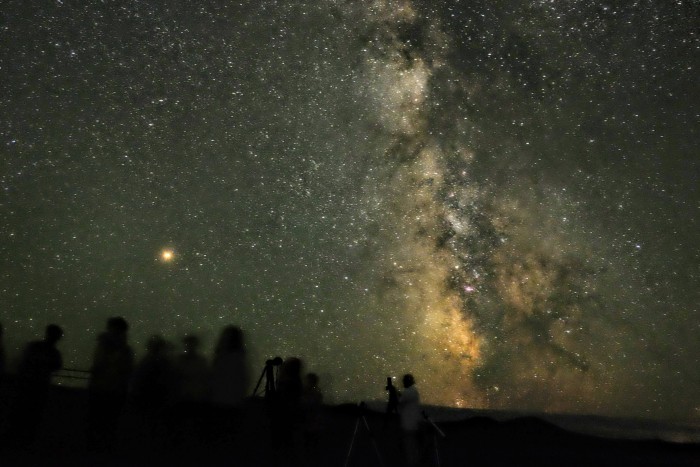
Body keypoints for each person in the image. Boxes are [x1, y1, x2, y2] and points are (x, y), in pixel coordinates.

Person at [10, 324, 64, 446]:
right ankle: (25, 441)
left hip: (29, 385)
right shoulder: (53, 352)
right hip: (38, 387)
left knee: (21, 413)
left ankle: (15, 439)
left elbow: (24, 362)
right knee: (32, 416)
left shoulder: (35, 346)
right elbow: (56, 366)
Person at [86, 317, 134, 450]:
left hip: (103, 388)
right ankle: (103, 446)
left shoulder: (104, 345)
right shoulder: (125, 349)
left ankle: (94, 446)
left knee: (98, 420)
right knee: (108, 421)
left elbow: (97, 366)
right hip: (113, 389)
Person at [398, 373, 421, 466]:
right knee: (412, 447)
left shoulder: (408, 392)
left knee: (409, 448)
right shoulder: (413, 391)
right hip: (413, 424)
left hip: (408, 425)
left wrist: (396, 394)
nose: (403, 382)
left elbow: (399, 402)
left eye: (404, 381)